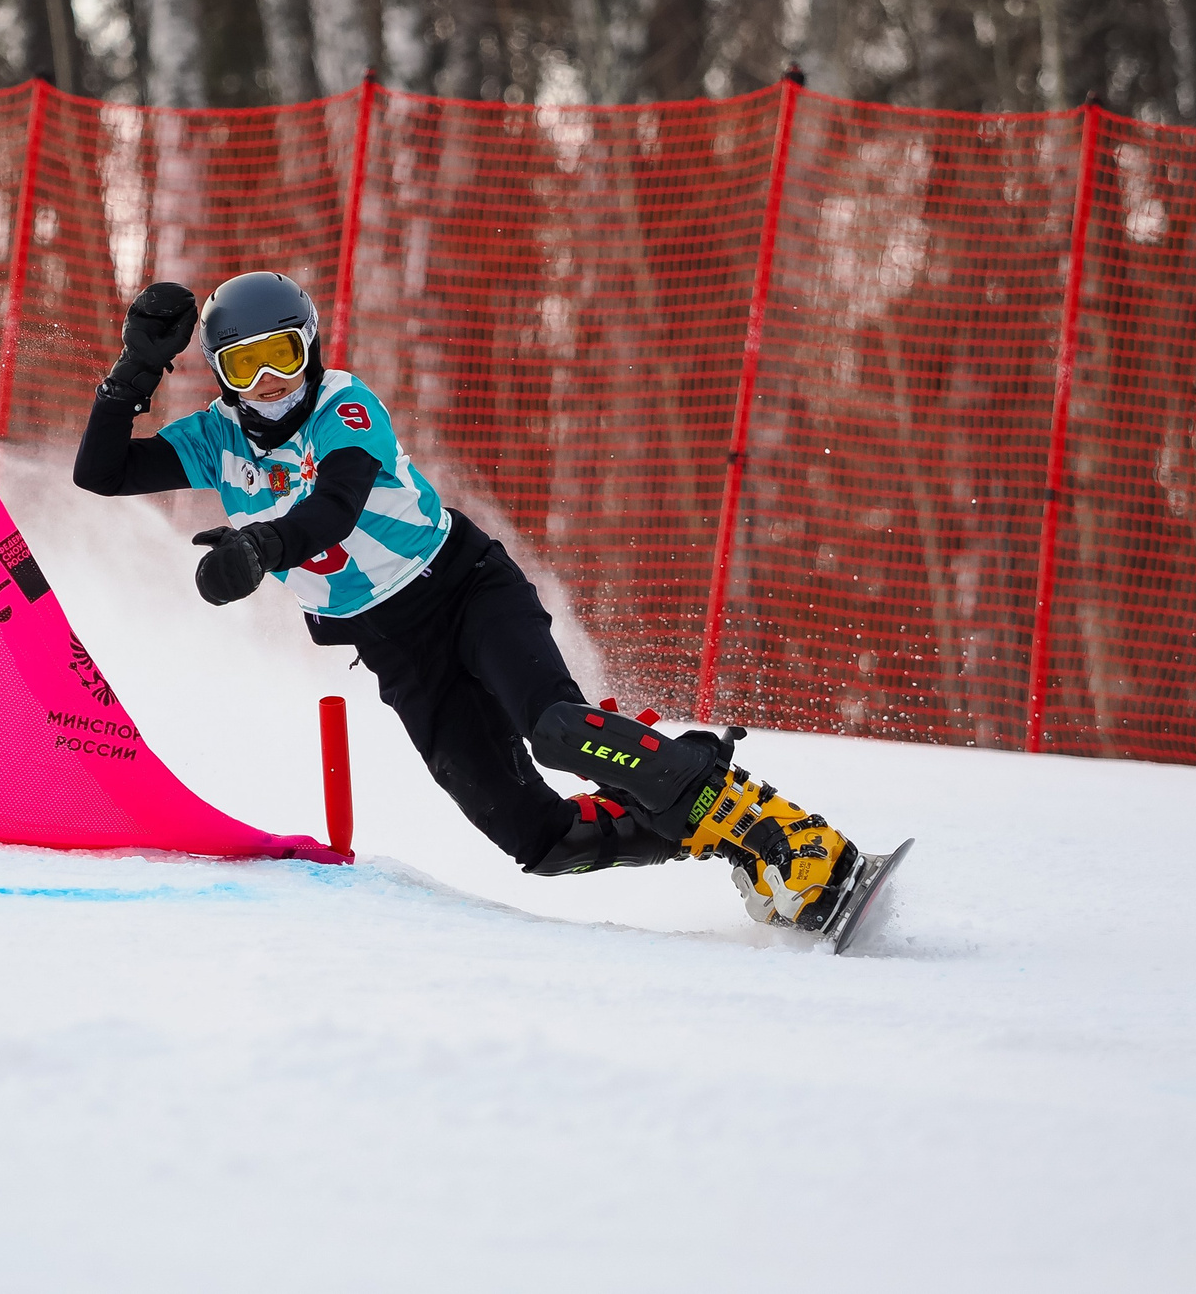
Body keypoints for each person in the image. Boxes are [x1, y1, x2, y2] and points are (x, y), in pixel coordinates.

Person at [73, 271, 863, 927]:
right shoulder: (216, 439)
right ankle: (698, 823)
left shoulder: (343, 404)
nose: (272, 381)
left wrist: (261, 546)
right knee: (537, 839)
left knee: (555, 728)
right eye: (246, 366)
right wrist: (134, 370)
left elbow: (334, 506)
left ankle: (785, 835)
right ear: (218, 373)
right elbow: (100, 471)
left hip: (462, 588)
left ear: (312, 347)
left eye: (285, 354)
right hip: (395, 649)